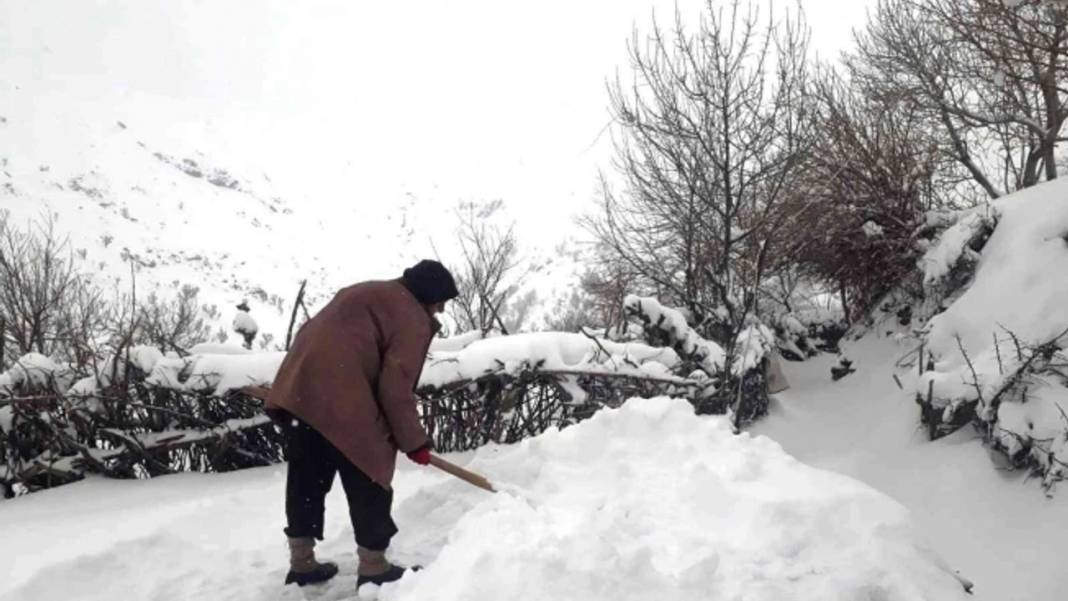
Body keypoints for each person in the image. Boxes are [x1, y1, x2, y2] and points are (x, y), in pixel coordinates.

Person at [265, 260, 458, 589]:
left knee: (306, 479)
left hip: (298, 395)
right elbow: (395, 389)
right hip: (344, 398)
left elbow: (311, 334)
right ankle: (374, 567)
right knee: (370, 475)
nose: (440, 309)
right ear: (428, 294)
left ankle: (302, 563)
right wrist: (415, 443)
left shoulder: (364, 291)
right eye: (441, 301)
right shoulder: (411, 316)